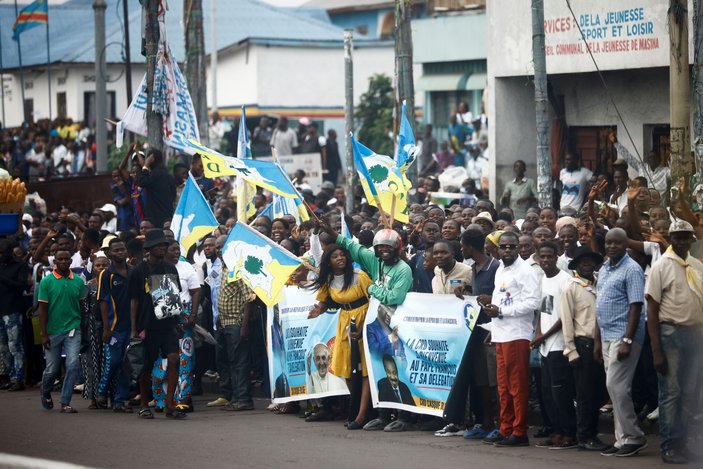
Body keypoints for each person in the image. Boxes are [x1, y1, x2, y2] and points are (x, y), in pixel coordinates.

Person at [645, 220, 703, 464]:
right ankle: (669, 445)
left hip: (696, 334)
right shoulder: (661, 266)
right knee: (671, 393)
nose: (681, 241)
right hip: (671, 334)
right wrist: (656, 350)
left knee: (689, 394)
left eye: (685, 237)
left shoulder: (697, 265)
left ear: (692, 239)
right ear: (671, 238)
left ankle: (682, 443)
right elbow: (652, 308)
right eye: (677, 237)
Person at [482, 231, 540, 447]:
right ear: (498, 249)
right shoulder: (500, 269)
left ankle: (520, 430)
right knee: (503, 386)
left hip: (517, 334)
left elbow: (533, 303)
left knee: (517, 385)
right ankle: (505, 427)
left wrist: (501, 313)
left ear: (518, 248)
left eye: (511, 246)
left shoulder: (525, 271)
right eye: (503, 246)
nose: (507, 250)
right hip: (501, 333)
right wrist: (493, 326)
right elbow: (501, 301)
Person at [308, 244, 373, 429]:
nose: (340, 258)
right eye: (335, 256)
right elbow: (324, 302)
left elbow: (374, 300)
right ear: (329, 261)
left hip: (364, 319)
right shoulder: (328, 280)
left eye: (342, 255)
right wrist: (317, 310)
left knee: (365, 370)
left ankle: (362, 415)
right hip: (345, 322)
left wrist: (365, 326)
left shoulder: (360, 276)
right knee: (346, 368)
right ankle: (355, 409)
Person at [595, 228, 647, 456]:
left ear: (625, 244)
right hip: (606, 335)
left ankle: (634, 436)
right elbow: (599, 304)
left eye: (617, 243)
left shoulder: (632, 269)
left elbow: (636, 306)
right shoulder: (605, 267)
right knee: (615, 389)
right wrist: (597, 340)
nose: (611, 246)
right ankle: (621, 439)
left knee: (616, 387)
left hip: (623, 335)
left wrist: (627, 339)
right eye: (608, 242)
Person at [129, 229, 185, 420]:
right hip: (148, 325)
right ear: (150, 248)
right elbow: (134, 301)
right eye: (159, 245)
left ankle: (170, 404)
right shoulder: (139, 270)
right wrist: (134, 328)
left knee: (174, 360)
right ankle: (145, 405)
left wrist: (179, 320)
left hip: (168, 324)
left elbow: (175, 296)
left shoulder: (170, 268)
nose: (163, 248)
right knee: (147, 366)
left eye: (164, 245)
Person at [559, 246, 608, 451]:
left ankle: (593, 433)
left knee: (598, 392)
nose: (587, 264)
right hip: (583, 344)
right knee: (585, 394)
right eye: (582, 262)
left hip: (602, 343)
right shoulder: (571, 287)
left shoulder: (600, 284)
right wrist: (571, 350)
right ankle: (585, 436)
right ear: (576, 265)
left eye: (590, 261)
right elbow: (566, 320)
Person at [530, 242, 577, 450]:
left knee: (561, 393)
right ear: (538, 259)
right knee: (548, 392)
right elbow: (543, 310)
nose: (546, 260)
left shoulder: (565, 281)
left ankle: (569, 433)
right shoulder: (543, 280)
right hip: (545, 346)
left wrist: (545, 336)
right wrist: (539, 333)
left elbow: (564, 317)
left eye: (550, 256)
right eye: (543, 257)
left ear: (557, 256)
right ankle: (557, 431)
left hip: (559, 344)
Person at [38, 249, 87, 413]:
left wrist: (84, 329)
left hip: (73, 328)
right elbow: (42, 310)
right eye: (61, 259)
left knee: (72, 364)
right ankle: (45, 390)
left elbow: (82, 306)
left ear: (71, 261)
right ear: (55, 262)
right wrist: (43, 334)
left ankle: (65, 402)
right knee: (52, 369)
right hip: (52, 331)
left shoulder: (78, 281)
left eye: (67, 259)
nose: (64, 261)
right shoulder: (47, 282)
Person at [216, 238, 256, 412]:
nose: (219, 250)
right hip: (225, 323)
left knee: (241, 362)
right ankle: (237, 397)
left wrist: (244, 326)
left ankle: (244, 399)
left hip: (237, 323)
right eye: (217, 248)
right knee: (232, 362)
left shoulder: (238, 268)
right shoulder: (224, 268)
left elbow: (249, 298)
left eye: (222, 247)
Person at [96, 238, 132, 412]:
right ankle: (102, 390)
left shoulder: (132, 271)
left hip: (131, 327)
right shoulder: (107, 274)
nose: (120, 253)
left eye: (122, 249)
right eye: (116, 250)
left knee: (126, 364)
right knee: (114, 361)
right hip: (114, 327)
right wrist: (106, 328)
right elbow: (102, 301)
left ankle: (119, 401)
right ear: (109, 253)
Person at [80, 255, 109, 409]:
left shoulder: (112, 284)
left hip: (110, 325)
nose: (101, 268)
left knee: (108, 361)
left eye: (105, 265)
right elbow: (84, 311)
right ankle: (93, 398)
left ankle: (107, 396)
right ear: (93, 268)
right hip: (92, 327)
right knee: (92, 362)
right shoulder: (88, 286)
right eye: (98, 265)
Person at [0, 239, 29, 392]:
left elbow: (22, 286)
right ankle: (10, 377)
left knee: (15, 345)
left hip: (12, 310)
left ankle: (18, 378)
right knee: (3, 347)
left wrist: (3, 279)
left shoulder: (20, 266)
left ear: (10, 251)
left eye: (2, 253)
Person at [138, 149, 177, 229]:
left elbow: (141, 181)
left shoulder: (154, 175)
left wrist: (145, 166)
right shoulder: (168, 176)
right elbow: (173, 195)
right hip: (167, 217)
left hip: (154, 218)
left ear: (152, 159)